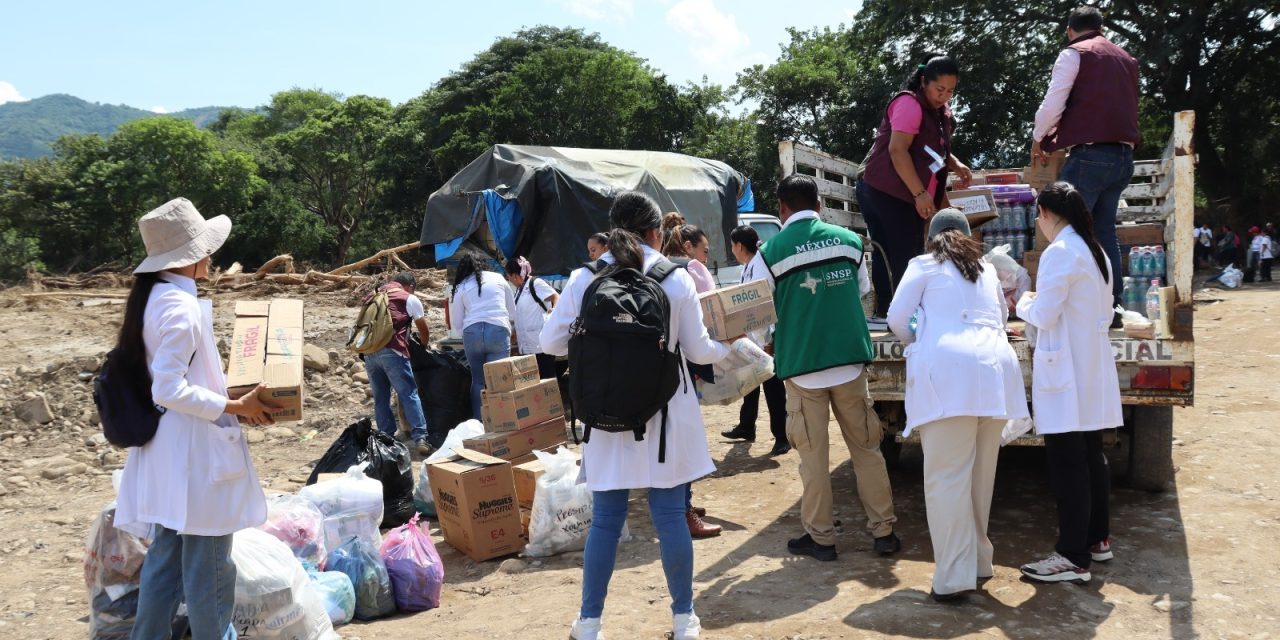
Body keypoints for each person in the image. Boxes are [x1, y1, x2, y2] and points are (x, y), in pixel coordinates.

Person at [541, 191, 731, 640]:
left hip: (606, 415)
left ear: (611, 231)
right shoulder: (675, 277)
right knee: (669, 514)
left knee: (606, 519)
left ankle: (588, 625)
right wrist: (731, 348)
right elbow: (700, 349)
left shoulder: (583, 277)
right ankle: (684, 621)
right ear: (655, 232)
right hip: (667, 412)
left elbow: (550, 343)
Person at [114, 198, 278, 639]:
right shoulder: (180, 307)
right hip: (192, 458)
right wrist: (236, 407)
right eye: (205, 248)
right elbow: (167, 387)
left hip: (168, 452)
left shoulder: (154, 298)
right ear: (191, 257)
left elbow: (176, 380)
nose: (211, 256)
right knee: (209, 569)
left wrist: (228, 395)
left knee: (166, 561)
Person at [748, 174, 900, 561]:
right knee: (867, 449)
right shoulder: (849, 242)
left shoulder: (770, 253)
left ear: (782, 209)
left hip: (802, 368)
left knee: (813, 458)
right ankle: (883, 533)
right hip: (850, 364)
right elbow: (863, 290)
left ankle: (822, 539)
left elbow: (761, 316)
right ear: (819, 205)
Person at [887, 208, 1029, 601]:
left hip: (949, 374)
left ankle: (953, 579)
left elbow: (898, 317)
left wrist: (918, 341)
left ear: (931, 237)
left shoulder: (924, 264)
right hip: (995, 373)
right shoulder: (985, 270)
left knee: (947, 478)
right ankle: (980, 562)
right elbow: (1003, 319)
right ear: (967, 236)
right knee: (980, 477)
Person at [1016, 182, 1123, 584]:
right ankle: (1097, 540)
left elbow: (1042, 314)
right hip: (1089, 367)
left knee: (1067, 463)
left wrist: (1020, 300)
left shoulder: (1060, 252)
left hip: (1068, 371)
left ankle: (1072, 556)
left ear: (1044, 212)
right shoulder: (1095, 251)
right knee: (1091, 454)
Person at [1031, 5, 1141, 312]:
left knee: (1066, 228)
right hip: (1123, 157)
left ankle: (1064, 306)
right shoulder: (1127, 59)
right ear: (1101, 27)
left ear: (1070, 31)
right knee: (1104, 230)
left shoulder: (1074, 53)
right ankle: (1113, 305)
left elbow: (1054, 102)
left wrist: (1039, 136)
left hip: (1091, 156)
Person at [857, 53, 972, 321]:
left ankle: (890, 311)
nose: (944, 96)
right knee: (904, 253)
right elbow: (898, 151)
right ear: (924, 82)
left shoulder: (939, 112)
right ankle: (902, 316)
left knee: (897, 251)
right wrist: (920, 194)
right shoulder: (909, 104)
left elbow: (931, 150)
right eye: (939, 89)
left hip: (904, 190)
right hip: (886, 189)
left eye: (950, 91)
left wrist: (954, 164)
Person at [659, 212, 722, 538]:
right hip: (682, 368)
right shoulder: (689, 271)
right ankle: (682, 510)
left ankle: (681, 504)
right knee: (682, 443)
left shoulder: (654, 269)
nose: (706, 256)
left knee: (666, 442)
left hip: (654, 370)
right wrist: (725, 351)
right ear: (688, 245)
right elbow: (712, 312)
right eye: (705, 249)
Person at [720, 224, 790, 457]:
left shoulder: (759, 266)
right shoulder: (749, 266)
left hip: (765, 339)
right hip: (753, 338)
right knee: (749, 383)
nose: (732, 250)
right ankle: (746, 426)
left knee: (773, 388)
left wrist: (766, 341)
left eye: (732, 246)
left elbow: (762, 307)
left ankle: (782, 436)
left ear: (740, 245)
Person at [363, 272, 433, 455]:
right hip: (393, 352)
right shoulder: (408, 298)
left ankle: (386, 438)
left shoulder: (373, 296)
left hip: (370, 353)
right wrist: (423, 348)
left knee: (381, 398)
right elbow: (423, 330)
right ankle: (421, 438)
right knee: (408, 393)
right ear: (409, 285)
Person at [451, 253, 516, 418]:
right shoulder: (499, 279)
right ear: (484, 265)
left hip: (472, 333)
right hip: (498, 330)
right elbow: (512, 312)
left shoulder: (461, 286)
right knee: (500, 381)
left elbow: (457, 321)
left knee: (478, 380)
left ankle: (479, 422)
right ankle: (502, 420)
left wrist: (468, 335)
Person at [504, 256, 561, 378]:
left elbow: (556, 296)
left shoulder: (536, 283)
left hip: (540, 345)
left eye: (508, 277)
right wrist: (515, 331)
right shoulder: (519, 291)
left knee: (546, 381)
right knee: (533, 384)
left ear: (514, 275)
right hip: (526, 346)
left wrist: (554, 311)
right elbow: (522, 314)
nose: (509, 280)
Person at [662, 212, 717, 292]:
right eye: (705, 251)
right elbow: (713, 300)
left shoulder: (660, 264)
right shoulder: (693, 266)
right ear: (688, 246)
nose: (706, 260)